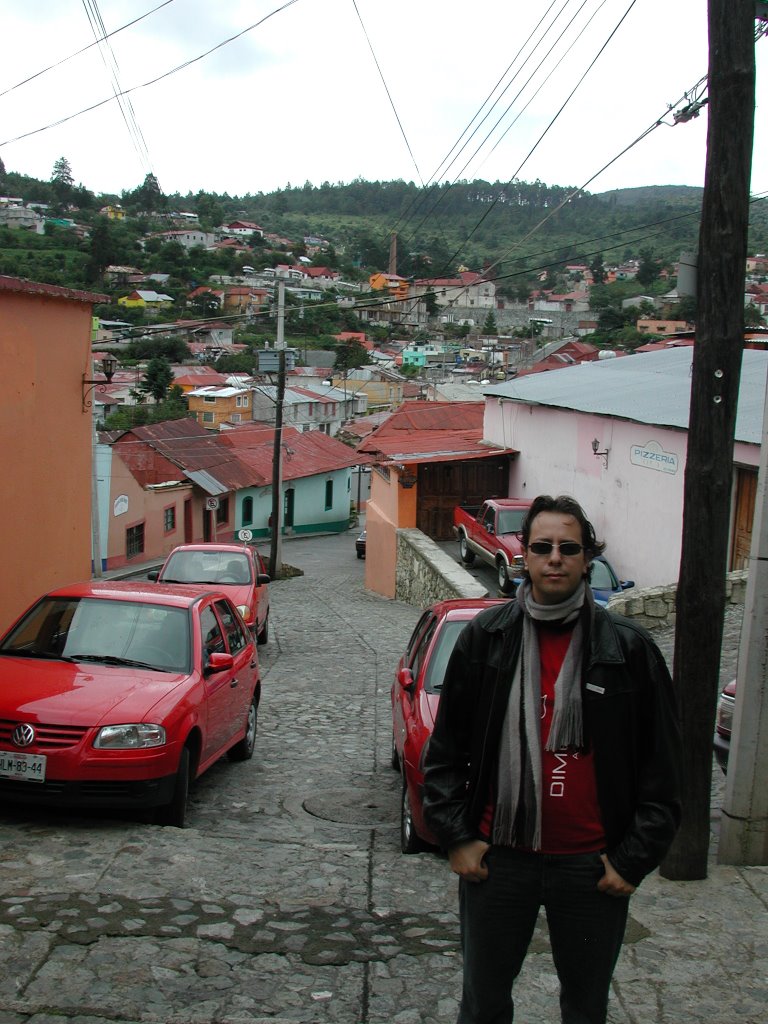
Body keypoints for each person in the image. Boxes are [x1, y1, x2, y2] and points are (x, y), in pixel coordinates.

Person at [422, 494, 681, 1024]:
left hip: (591, 868)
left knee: (585, 1008)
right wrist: (457, 837)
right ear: (525, 556)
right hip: (499, 863)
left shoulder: (629, 650)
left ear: (589, 557)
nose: (555, 558)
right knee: (484, 1003)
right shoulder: (484, 639)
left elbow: (665, 768)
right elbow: (444, 752)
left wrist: (631, 860)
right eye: (542, 547)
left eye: (570, 547)